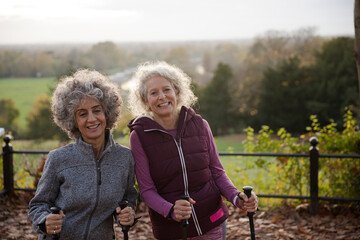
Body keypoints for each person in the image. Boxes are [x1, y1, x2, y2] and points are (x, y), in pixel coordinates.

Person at [127, 61, 258, 239]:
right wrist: (172, 210)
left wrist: (237, 198)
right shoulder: (139, 136)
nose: (162, 97)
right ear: (145, 101)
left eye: (167, 90)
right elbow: (147, 190)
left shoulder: (200, 125)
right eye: (153, 93)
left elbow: (217, 173)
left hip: (212, 220)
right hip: (171, 228)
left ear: (177, 92)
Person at [28, 69, 138, 240]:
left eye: (96, 110)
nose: (92, 119)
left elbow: (128, 199)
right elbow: (38, 205)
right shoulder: (59, 159)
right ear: (73, 121)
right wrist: (44, 220)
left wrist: (127, 214)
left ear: (107, 113)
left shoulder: (125, 158)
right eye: (82, 114)